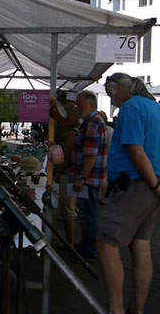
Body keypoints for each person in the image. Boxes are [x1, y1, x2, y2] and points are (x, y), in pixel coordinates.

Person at [97, 73, 160, 314]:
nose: (110, 97)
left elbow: (136, 151)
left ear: (117, 88)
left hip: (136, 186)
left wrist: (155, 184)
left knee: (106, 243)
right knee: (141, 245)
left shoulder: (130, 108)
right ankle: (137, 308)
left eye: (109, 91)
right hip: (155, 185)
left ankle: (116, 309)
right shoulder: (158, 109)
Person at [70, 90, 107, 261]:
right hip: (91, 178)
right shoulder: (92, 121)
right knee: (86, 213)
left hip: (89, 179)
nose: (78, 107)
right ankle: (86, 245)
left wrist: (82, 178)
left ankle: (89, 250)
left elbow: (90, 155)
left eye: (80, 104)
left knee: (88, 213)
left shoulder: (93, 123)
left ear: (91, 104)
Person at [50, 92, 80, 247]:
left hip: (69, 173)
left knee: (69, 211)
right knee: (74, 211)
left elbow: (67, 155)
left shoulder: (72, 132)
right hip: (74, 173)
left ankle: (71, 244)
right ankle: (76, 243)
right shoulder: (74, 129)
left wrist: (58, 173)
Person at [97, 110, 114, 205]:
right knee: (105, 177)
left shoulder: (98, 129)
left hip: (100, 155)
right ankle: (102, 197)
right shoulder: (110, 130)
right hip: (109, 155)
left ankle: (98, 196)